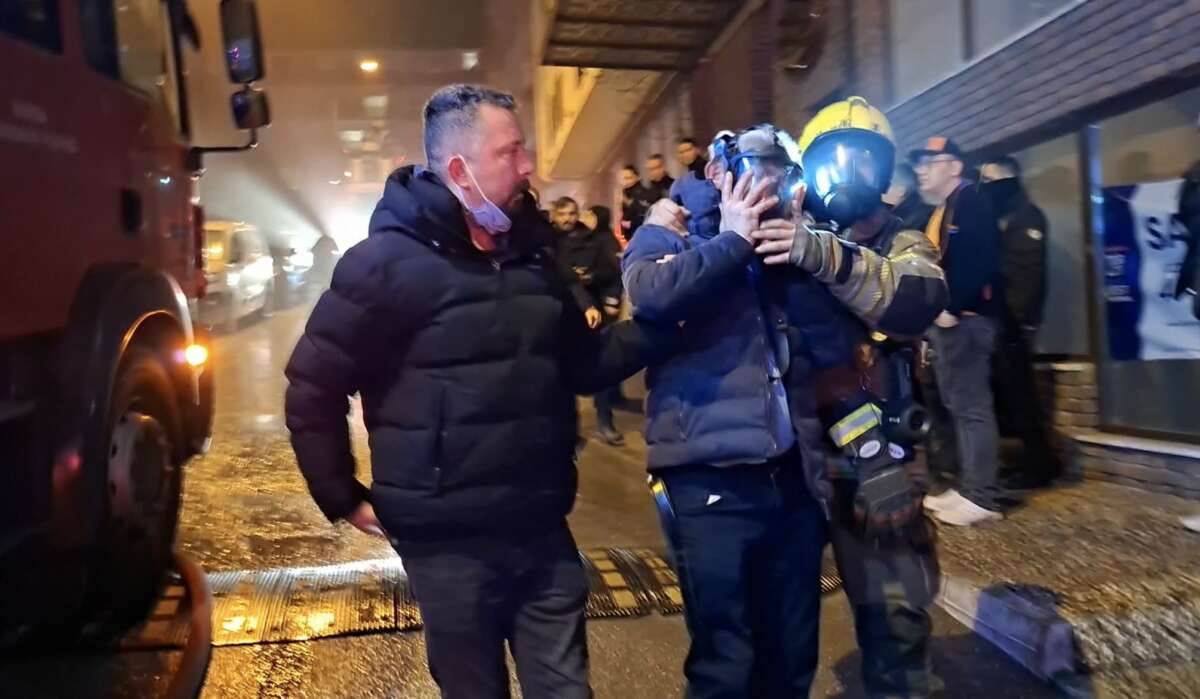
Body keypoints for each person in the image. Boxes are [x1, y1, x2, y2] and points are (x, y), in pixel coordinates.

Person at [284, 84, 670, 699]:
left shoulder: (535, 258)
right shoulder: (382, 265)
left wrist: (666, 323)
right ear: (461, 171)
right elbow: (313, 385)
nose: (527, 167)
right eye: (511, 152)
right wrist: (342, 494)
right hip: (447, 548)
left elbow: (584, 362)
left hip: (541, 530)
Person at [625, 102, 946, 698]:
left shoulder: (889, 237)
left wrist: (818, 251)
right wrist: (671, 217)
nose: (848, 172)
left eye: (863, 159)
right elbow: (661, 287)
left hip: (875, 460)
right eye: (834, 158)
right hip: (803, 464)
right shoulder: (767, 226)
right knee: (750, 640)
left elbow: (918, 298)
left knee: (893, 623)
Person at [912, 136, 1006, 526]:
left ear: (954, 167)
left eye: (930, 162)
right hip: (950, 321)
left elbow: (982, 261)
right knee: (958, 406)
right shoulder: (945, 207)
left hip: (966, 320)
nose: (921, 170)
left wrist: (951, 308)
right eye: (919, 163)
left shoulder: (971, 203)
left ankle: (982, 496)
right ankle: (969, 487)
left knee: (971, 408)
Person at [980, 155, 1061, 489]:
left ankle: (1041, 465)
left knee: (1021, 396)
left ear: (1008, 178)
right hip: (1001, 322)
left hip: (1014, 324)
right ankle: (1028, 462)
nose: (984, 187)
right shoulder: (1003, 215)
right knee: (1010, 396)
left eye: (989, 179)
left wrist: (1017, 322)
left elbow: (1027, 275)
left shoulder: (1026, 216)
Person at [552, 196, 626, 445]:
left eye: (572, 213)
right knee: (561, 376)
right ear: (555, 215)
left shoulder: (592, 239)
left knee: (600, 365)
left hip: (592, 313)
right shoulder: (548, 242)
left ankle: (605, 421)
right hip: (561, 314)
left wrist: (592, 277)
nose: (568, 219)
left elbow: (610, 271)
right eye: (563, 214)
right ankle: (569, 430)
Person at [883, 162, 935, 232]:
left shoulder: (904, 223)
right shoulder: (915, 212)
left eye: (886, 185)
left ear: (901, 191)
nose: (881, 190)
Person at [619, 164, 654, 245]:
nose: (625, 181)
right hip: (630, 235)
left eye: (628, 178)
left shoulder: (644, 193)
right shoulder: (625, 192)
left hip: (642, 235)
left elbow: (646, 213)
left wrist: (628, 202)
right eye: (623, 178)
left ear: (637, 177)